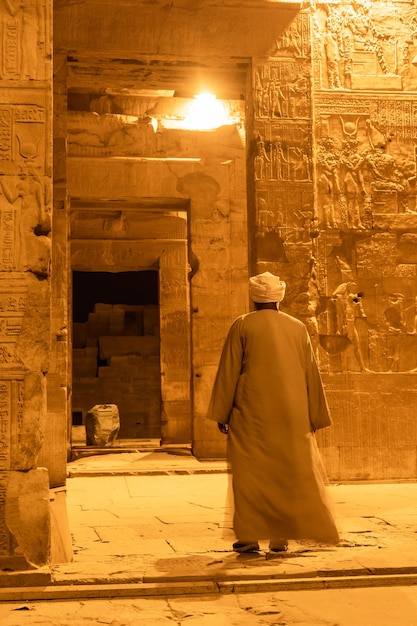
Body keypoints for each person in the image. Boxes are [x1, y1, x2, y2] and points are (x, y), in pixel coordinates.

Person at [207, 271, 339, 553]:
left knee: (249, 475)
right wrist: (314, 415)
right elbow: (310, 373)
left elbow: (229, 370)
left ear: (254, 298)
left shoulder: (241, 325)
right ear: (279, 297)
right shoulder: (297, 327)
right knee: (285, 473)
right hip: (291, 412)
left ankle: (250, 537)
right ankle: (279, 538)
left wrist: (222, 412)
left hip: (250, 411)